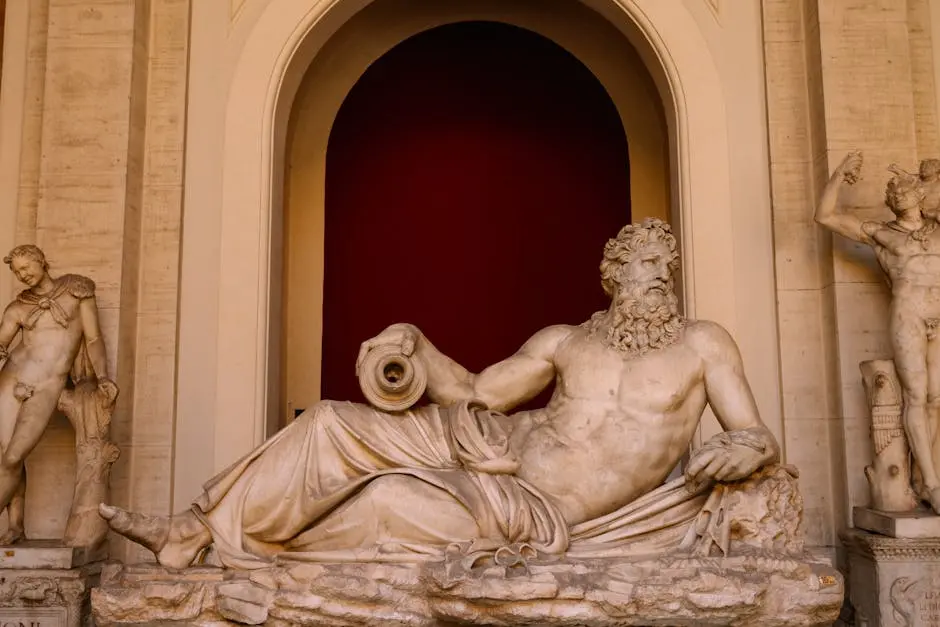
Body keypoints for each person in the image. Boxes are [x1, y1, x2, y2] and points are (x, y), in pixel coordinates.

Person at [102, 218, 780, 569]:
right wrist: (414, 342)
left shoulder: (703, 343)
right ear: (614, 273)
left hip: (530, 503)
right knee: (330, 422)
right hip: (488, 440)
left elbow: (757, 434)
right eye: (645, 261)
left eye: (668, 263)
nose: (661, 273)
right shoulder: (567, 339)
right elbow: (479, 392)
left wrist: (744, 450)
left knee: (387, 497)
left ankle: (232, 554)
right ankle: (190, 528)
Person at [816, 152, 940, 513]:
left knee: (936, 399)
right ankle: (932, 484)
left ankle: (922, 476)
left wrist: (930, 177)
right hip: (909, 315)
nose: (898, 193)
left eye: (904, 188)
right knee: (916, 396)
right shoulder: (882, 234)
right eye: (892, 191)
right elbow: (825, 216)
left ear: (919, 195)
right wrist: (839, 174)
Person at [0, 245, 116, 543]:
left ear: (43, 262)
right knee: (3, 454)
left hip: (47, 384)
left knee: (13, 456)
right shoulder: (18, 307)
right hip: (12, 378)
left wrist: (102, 376)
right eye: (17, 271)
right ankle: (15, 525)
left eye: (28, 267)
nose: (23, 275)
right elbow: (2, 343)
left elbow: (93, 339)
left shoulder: (77, 291)